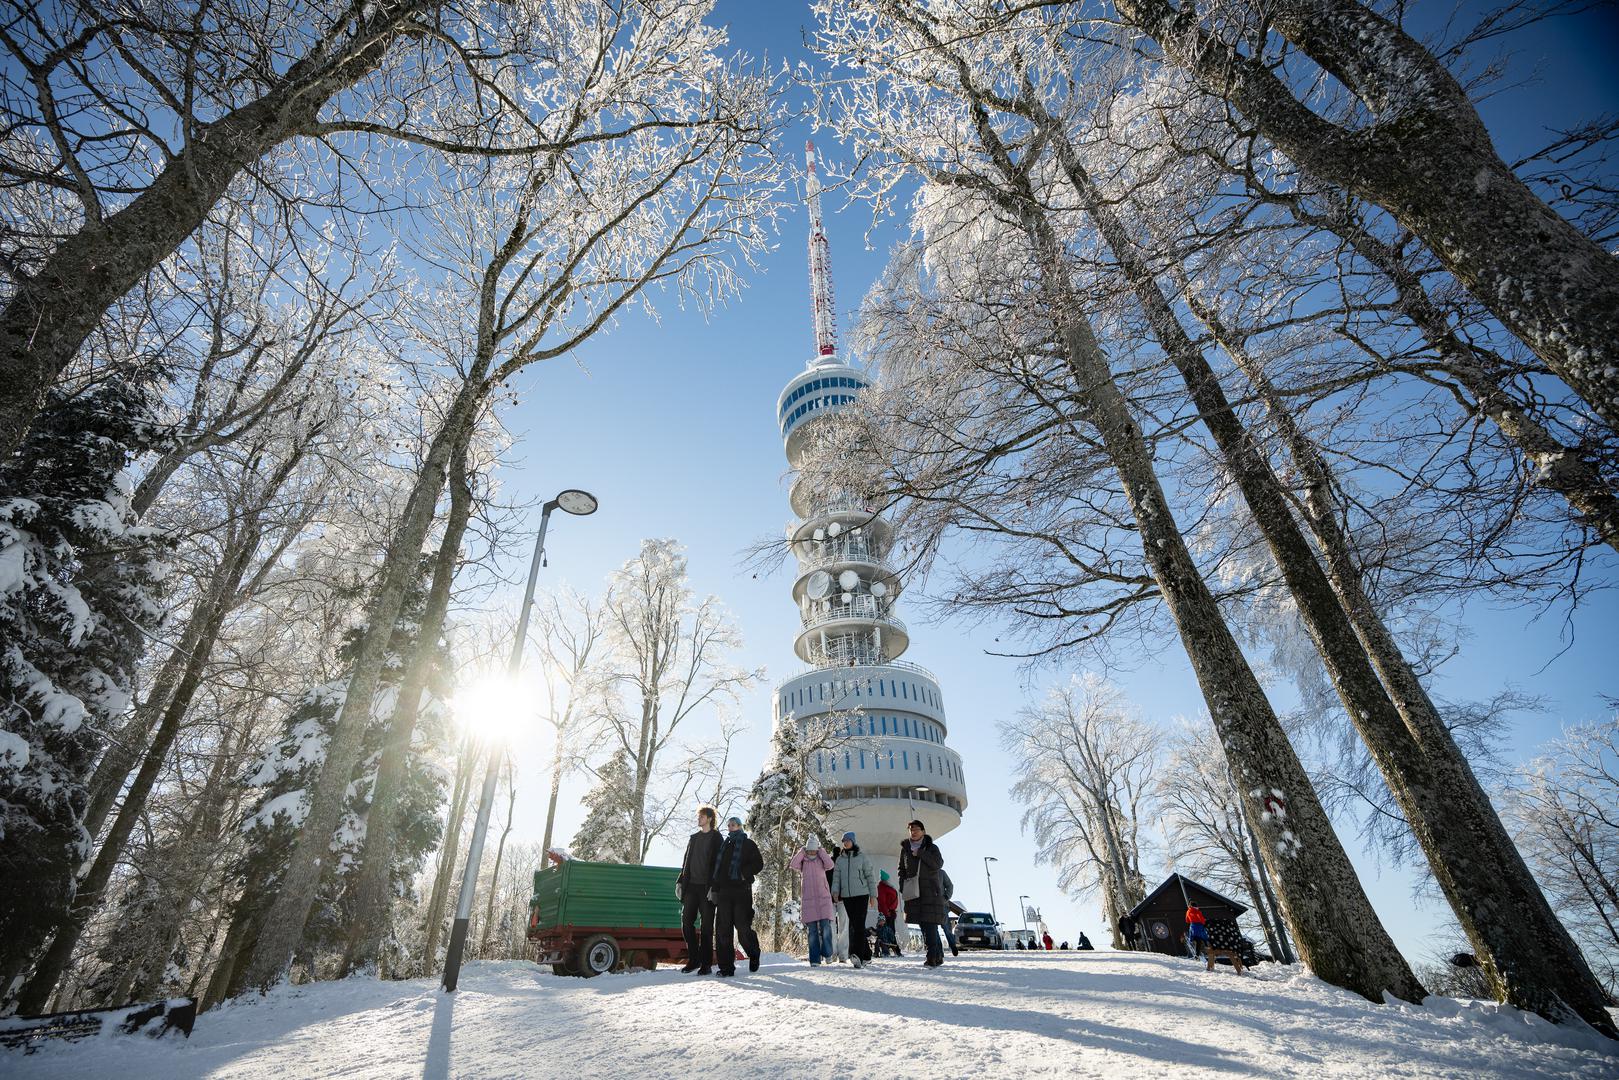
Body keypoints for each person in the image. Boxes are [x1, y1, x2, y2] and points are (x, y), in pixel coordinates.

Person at [710, 815, 763, 977]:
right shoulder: (724, 846)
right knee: (723, 930)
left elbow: (758, 864)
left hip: (742, 891)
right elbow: (718, 870)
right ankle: (726, 968)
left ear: (740, 826)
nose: (731, 827)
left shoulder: (748, 844)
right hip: (725, 892)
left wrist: (742, 874)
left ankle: (753, 953)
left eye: (734, 824)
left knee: (742, 928)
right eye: (729, 825)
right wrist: (715, 889)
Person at [676, 804, 723, 974]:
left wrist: (715, 887)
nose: (699, 819)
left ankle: (706, 964)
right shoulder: (693, 838)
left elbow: (720, 865)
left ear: (710, 818)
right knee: (686, 923)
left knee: (706, 927)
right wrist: (680, 881)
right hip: (691, 887)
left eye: (702, 816)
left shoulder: (717, 838)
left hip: (707, 888)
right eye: (699, 816)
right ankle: (694, 960)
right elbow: (685, 862)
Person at [897, 819, 947, 967]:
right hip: (913, 891)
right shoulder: (905, 849)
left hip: (930, 890)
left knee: (930, 924)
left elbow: (938, 864)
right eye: (911, 829)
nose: (913, 832)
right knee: (923, 925)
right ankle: (937, 955)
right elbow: (902, 869)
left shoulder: (932, 848)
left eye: (916, 829)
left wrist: (921, 853)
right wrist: (902, 885)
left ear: (923, 831)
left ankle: (932, 956)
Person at [831, 832, 876, 968]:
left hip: (862, 895)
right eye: (844, 841)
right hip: (847, 896)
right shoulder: (840, 860)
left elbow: (870, 876)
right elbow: (836, 877)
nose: (845, 843)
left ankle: (858, 956)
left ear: (853, 841)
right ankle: (867, 955)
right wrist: (835, 891)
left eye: (848, 840)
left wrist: (873, 895)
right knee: (856, 926)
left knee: (858, 924)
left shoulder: (862, 857)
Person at [789, 836, 835, 966]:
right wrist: (802, 851)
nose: (811, 853)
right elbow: (793, 864)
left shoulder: (821, 859)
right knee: (812, 932)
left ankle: (827, 953)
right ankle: (814, 959)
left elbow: (830, 865)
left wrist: (822, 851)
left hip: (823, 898)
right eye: (809, 850)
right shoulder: (803, 861)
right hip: (809, 901)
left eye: (813, 850)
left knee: (826, 928)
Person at [876, 870, 901, 956]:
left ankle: (895, 951)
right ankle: (889, 951)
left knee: (891, 932)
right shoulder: (882, 887)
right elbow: (882, 902)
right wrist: (887, 913)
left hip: (890, 913)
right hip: (887, 914)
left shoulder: (885, 887)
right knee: (887, 933)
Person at [939, 871, 959, 956]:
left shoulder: (941, 873)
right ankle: (938, 950)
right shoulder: (923, 871)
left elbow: (950, 885)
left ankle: (953, 946)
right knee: (933, 930)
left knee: (946, 928)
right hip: (929, 905)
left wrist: (946, 897)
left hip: (942, 905)